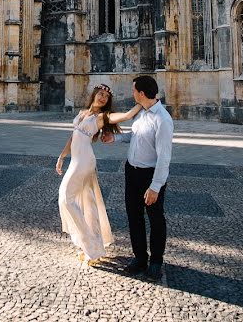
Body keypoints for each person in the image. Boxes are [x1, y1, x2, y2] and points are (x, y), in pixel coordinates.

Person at [56, 84, 142, 265]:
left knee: (66, 199)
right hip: (76, 160)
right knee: (85, 202)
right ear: (94, 94)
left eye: (106, 97)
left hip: (85, 161)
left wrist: (142, 101)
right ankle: (91, 245)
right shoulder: (82, 113)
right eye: (100, 94)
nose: (103, 98)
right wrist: (62, 156)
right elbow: (73, 137)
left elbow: (126, 116)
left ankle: (91, 245)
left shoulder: (102, 117)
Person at [102, 75, 174, 280]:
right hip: (131, 171)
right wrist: (115, 138)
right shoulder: (141, 113)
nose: (132, 93)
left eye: (134, 90)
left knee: (156, 219)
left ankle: (156, 262)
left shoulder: (163, 119)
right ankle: (140, 257)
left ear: (142, 93)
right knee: (134, 217)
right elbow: (134, 136)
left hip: (149, 175)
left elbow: (164, 158)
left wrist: (155, 187)